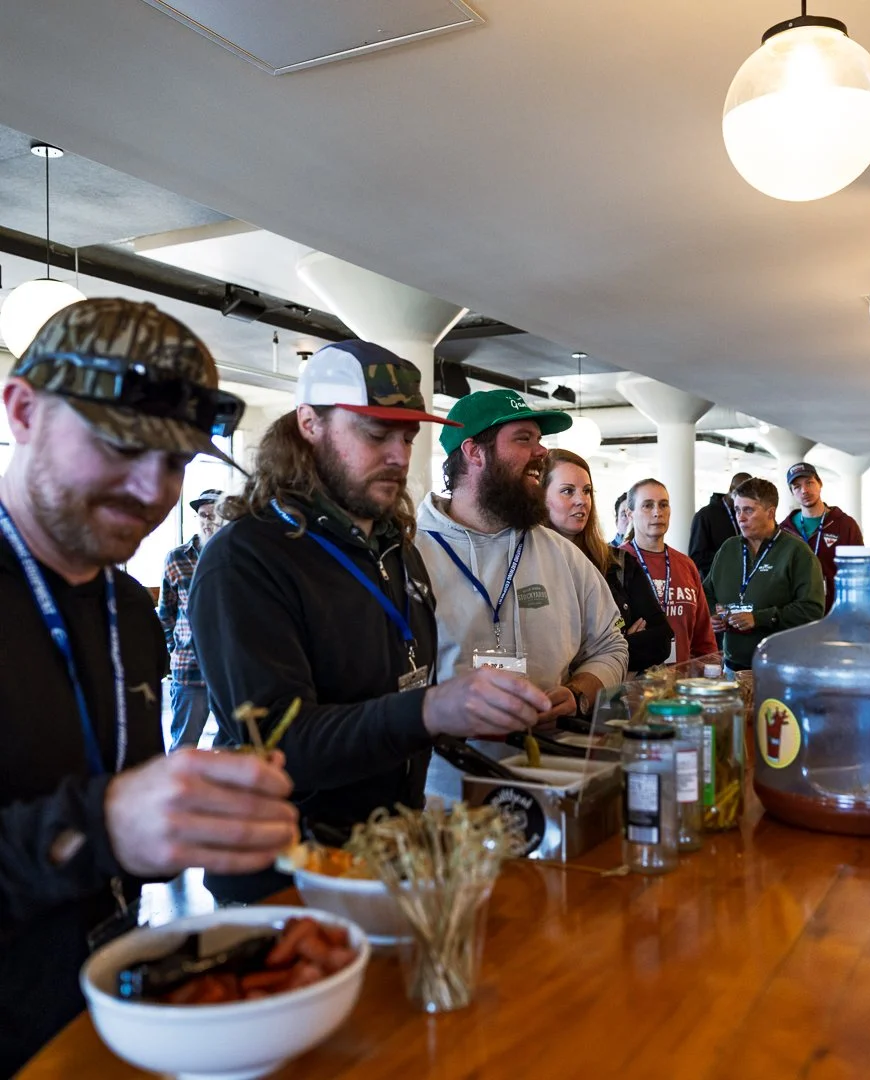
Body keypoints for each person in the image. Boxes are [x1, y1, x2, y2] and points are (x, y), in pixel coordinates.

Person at [0, 298, 298, 1076]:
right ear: (23, 409)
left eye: (175, 460)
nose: (150, 487)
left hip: (115, 1023)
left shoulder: (128, 609)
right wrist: (101, 828)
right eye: (120, 442)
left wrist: (177, 822)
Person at [189, 343, 551, 900]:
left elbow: (395, 691)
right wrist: (431, 708)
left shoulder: (392, 548)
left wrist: (463, 717)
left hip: (387, 853)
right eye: (375, 434)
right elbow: (282, 746)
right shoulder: (247, 558)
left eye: (407, 438)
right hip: (285, 878)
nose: (399, 456)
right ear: (309, 423)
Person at [416, 390, 627, 726]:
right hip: (444, 771)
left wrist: (578, 693)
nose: (541, 451)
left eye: (539, 439)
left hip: (548, 763)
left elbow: (611, 644)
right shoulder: (411, 553)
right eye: (523, 439)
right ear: (474, 452)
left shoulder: (561, 555)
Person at [543, 450, 672, 674]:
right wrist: (616, 645)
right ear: (541, 497)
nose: (581, 501)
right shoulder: (526, 564)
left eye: (586, 491)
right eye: (567, 491)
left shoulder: (618, 563)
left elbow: (661, 640)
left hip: (610, 702)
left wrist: (610, 652)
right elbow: (538, 654)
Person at [704, 477, 825, 671]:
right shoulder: (728, 549)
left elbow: (811, 610)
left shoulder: (797, 552)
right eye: (737, 510)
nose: (741, 517)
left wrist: (760, 618)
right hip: (732, 666)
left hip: (781, 667)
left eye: (749, 510)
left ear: (770, 512)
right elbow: (706, 592)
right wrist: (712, 614)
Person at [624, 478, 718, 664]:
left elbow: (704, 640)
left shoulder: (686, 565)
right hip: (633, 683)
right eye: (647, 506)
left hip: (682, 685)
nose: (657, 512)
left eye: (663, 505)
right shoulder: (616, 563)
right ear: (630, 514)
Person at [157, 487, 221, 750]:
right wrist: (176, 648)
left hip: (229, 670)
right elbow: (166, 613)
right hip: (189, 669)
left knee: (236, 747)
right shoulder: (177, 558)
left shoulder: (238, 556)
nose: (210, 521)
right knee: (184, 746)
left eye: (216, 515)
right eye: (204, 515)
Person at [778, 462, 863, 609]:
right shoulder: (784, 530)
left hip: (835, 611)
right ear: (792, 492)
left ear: (820, 483)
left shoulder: (845, 525)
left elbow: (858, 572)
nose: (804, 490)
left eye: (809, 483)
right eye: (797, 487)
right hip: (797, 614)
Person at [688, 470, 750, 577]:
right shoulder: (705, 515)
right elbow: (697, 557)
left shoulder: (747, 513)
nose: (746, 499)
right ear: (731, 490)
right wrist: (730, 558)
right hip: (716, 582)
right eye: (742, 493)